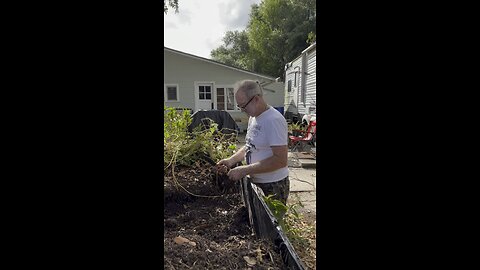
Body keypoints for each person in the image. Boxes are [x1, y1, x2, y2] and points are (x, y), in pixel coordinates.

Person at [216, 80, 290, 205]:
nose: (242, 110)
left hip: (272, 186)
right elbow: (250, 146)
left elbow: (280, 160)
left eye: (243, 105)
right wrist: (231, 160)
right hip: (257, 182)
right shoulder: (254, 117)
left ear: (256, 99)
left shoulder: (273, 120)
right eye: (240, 106)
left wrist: (244, 170)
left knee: (270, 224)